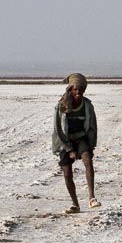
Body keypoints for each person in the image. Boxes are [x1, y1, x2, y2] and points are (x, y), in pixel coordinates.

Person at [52, 73, 99, 214]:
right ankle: (75, 204)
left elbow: (92, 126)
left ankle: (91, 198)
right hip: (64, 140)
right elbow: (58, 129)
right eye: (75, 89)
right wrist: (68, 149)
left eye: (81, 89)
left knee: (87, 161)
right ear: (70, 89)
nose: (78, 92)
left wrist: (91, 144)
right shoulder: (61, 106)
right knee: (67, 173)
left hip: (81, 137)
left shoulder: (87, 105)